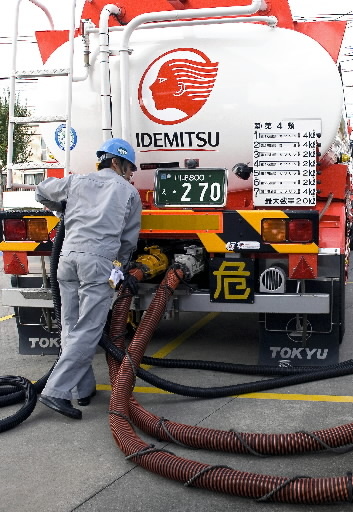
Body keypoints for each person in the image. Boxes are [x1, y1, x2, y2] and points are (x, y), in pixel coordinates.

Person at [35, 138, 142, 420]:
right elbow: (127, 242)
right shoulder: (128, 193)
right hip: (97, 262)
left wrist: (62, 212)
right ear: (117, 162)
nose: (131, 174)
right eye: (130, 167)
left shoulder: (76, 181)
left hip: (67, 260)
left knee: (70, 325)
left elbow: (41, 190)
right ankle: (55, 391)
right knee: (89, 329)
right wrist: (120, 268)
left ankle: (83, 389)